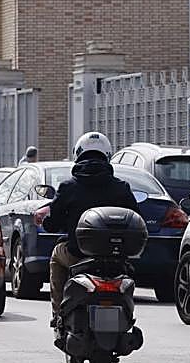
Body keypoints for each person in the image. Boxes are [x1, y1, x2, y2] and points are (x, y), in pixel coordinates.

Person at [43, 132, 141, 333]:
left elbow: (52, 224)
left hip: (77, 256)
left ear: (78, 155)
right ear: (107, 155)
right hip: (116, 259)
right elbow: (137, 218)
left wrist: (47, 221)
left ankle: (59, 315)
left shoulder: (68, 187)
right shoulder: (121, 188)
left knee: (56, 256)